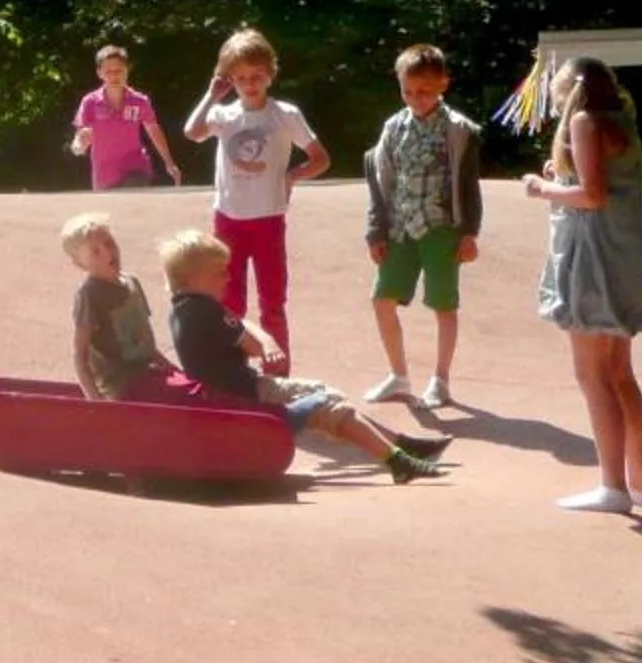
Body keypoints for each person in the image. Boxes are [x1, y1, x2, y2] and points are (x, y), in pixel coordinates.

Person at [159, 229, 449, 481]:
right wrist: (265, 343)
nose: (227, 278)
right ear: (193, 277)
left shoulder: (183, 309)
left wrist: (268, 340)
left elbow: (243, 326)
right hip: (247, 397)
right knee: (327, 403)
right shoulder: (203, 310)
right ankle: (398, 461)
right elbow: (251, 343)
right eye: (219, 272)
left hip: (242, 390)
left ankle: (399, 446)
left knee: (326, 394)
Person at [524, 56, 642, 513]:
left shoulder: (582, 121)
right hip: (625, 260)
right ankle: (639, 483)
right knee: (620, 372)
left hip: (592, 260)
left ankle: (612, 487)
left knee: (592, 374)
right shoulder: (620, 120)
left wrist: (541, 190)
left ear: (570, 94)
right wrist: (559, 175)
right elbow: (599, 180)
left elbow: (591, 195)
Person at [183, 27, 328, 361]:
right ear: (229, 79)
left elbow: (320, 159)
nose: (249, 84)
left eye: (257, 76)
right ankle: (234, 370)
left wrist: (293, 176)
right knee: (230, 301)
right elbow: (192, 132)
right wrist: (211, 96)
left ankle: (278, 372)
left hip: (268, 220)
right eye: (241, 77)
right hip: (228, 221)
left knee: (272, 302)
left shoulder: (285, 114)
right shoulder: (223, 115)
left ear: (270, 75)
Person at [362, 43, 485, 409]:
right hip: (400, 227)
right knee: (382, 300)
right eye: (408, 91)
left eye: (426, 91)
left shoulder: (459, 130)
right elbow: (381, 180)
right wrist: (375, 230)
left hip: (440, 228)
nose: (416, 99)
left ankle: (440, 380)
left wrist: (469, 232)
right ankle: (398, 376)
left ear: (443, 84)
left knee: (443, 305)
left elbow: (468, 185)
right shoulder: (393, 127)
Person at [60, 213, 198, 404]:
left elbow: (145, 342)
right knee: (188, 398)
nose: (108, 253)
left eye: (109, 243)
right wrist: (95, 399)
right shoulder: (89, 295)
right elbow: (80, 355)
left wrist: (172, 369)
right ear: (79, 263)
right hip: (123, 383)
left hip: (149, 373)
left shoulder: (132, 283)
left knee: (198, 387)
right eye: (95, 252)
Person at [70, 45, 182, 190]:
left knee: (133, 193)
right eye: (108, 71)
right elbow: (80, 136)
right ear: (99, 73)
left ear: (127, 71)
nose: (114, 76)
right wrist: (78, 145)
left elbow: (153, 130)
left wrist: (169, 162)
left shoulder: (140, 101)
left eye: (119, 71)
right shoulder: (90, 102)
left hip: (135, 166)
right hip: (104, 173)